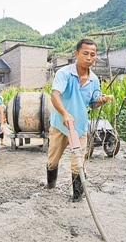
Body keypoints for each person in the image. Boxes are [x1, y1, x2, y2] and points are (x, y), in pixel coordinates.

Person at [46, 39, 109, 202]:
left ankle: (77, 198)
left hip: (79, 127)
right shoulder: (64, 74)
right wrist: (65, 114)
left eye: (93, 55)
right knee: (52, 161)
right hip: (60, 124)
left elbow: (92, 103)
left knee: (78, 164)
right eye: (85, 53)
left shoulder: (94, 80)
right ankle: (50, 186)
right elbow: (54, 95)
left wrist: (99, 101)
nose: (89, 57)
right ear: (76, 54)